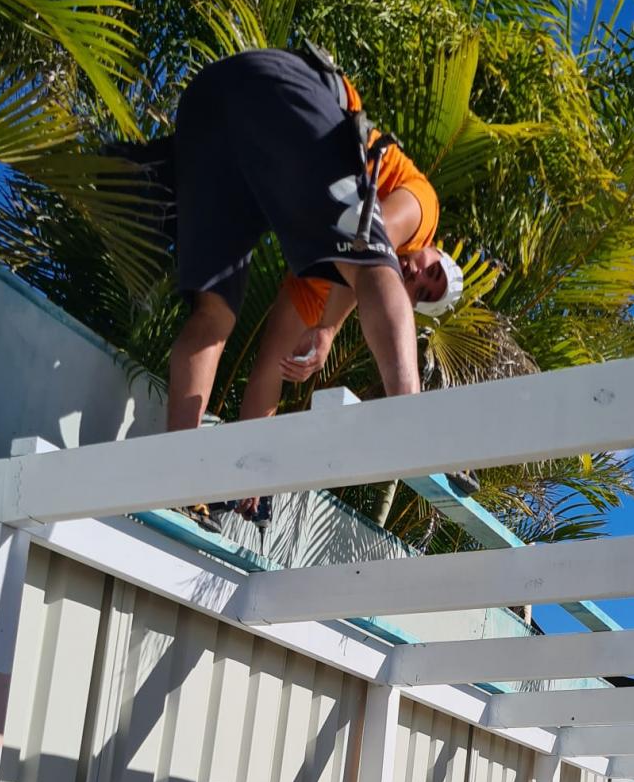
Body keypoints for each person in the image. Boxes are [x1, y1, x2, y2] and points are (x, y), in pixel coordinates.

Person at [159, 45, 465, 532]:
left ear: (411, 307)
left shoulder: (319, 286)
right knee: (371, 260)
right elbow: (373, 233)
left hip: (208, 114)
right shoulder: (423, 206)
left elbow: (269, 374)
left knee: (214, 316)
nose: (420, 277)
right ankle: (415, 418)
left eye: (425, 292)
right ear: (433, 249)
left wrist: (252, 472)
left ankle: (177, 484)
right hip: (287, 88)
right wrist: (327, 332)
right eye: (433, 270)